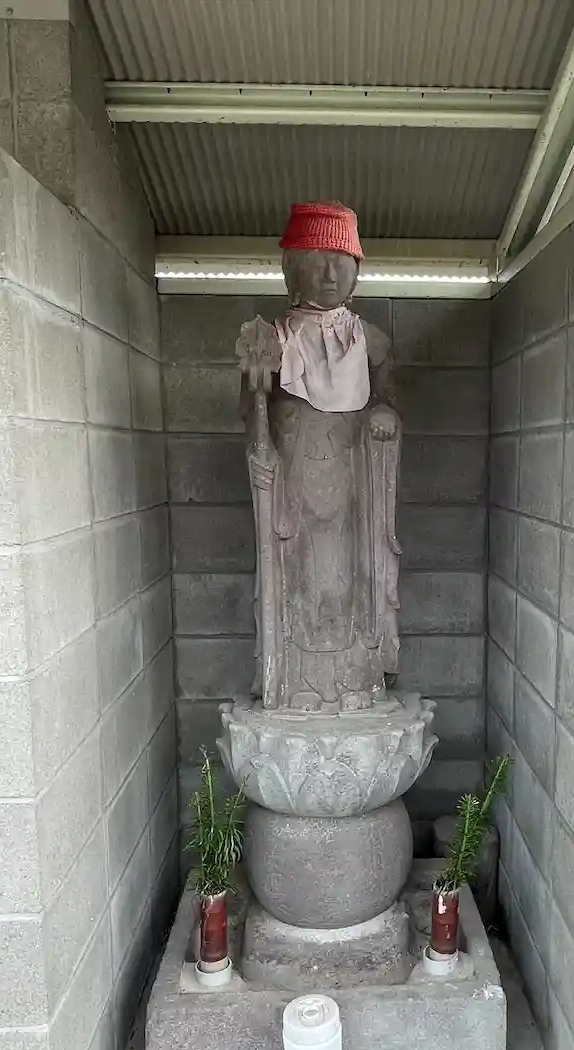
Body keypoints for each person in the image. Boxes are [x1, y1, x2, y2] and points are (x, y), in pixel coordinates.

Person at [235, 202, 401, 713]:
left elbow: (387, 400)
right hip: (294, 483)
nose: (330, 274)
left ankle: (354, 679)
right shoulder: (273, 338)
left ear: (356, 271)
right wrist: (258, 432)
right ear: (292, 269)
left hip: (352, 483)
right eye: (317, 262)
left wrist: (384, 414)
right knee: (299, 574)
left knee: (349, 575)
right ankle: (295, 680)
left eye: (340, 262)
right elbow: (251, 412)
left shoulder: (369, 341)